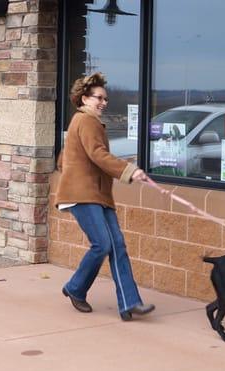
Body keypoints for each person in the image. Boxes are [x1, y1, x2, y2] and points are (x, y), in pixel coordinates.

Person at [55, 72, 155, 321]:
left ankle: (130, 303)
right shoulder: (86, 121)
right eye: (98, 98)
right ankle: (75, 288)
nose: (103, 102)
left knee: (117, 245)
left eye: (105, 99)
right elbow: (98, 154)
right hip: (84, 195)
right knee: (102, 244)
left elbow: (63, 158)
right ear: (84, 99)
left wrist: (71, 166)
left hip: (99, 195)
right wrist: (130, 171)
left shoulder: (82, 123)